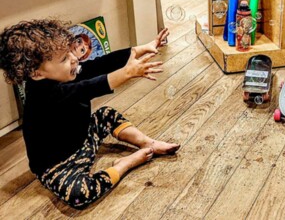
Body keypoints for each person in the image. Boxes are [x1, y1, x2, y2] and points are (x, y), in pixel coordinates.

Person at [0, 19, 180, 208]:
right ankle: (124, 164)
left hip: (84, 137)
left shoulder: (66, 72)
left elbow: (100, 65)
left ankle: (148, 143)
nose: (74, 58)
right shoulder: (42, 95)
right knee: (79, 195)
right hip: (59, 166)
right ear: (36, 73)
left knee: (105, 114)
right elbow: (88, 88)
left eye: (70, 51)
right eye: (63, 58)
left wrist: (142, 48)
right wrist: (127, 73)